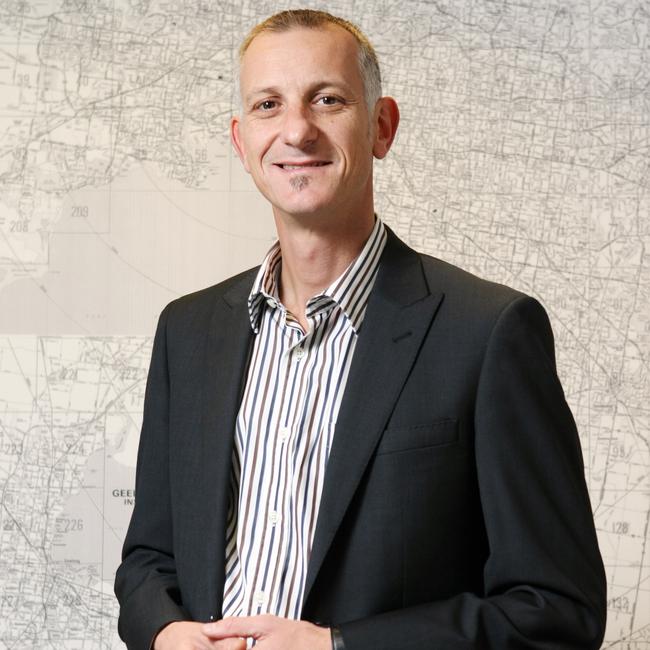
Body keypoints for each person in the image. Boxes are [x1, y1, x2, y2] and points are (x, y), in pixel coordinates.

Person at [114, 9, 607, 650]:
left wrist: (337, 646)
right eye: (268, 104)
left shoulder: (488, 334)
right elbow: (148, 559)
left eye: (327, 99)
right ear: (241, 141)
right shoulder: (188, 331)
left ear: (381, 126)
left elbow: (555, 612)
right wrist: (166, 633)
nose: (297, 129)